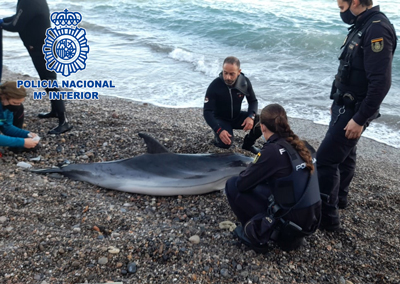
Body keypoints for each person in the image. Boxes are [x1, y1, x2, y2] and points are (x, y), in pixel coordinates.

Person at [317, 0, 397, 231]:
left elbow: (381, 83)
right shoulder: (363, 24)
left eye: (341, 5)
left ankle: (328, 219)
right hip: (344, 106)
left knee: (325, 160)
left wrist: (360, 119)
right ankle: (340, 198)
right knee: (347, 154)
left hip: (354, 112)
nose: (338, 6)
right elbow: (349, 69)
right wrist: (336, 100)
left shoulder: (377, 29)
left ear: (354, 1)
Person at [225, 104, 321, 252]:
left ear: (262, 127)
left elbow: (242, 184)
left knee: (231, 185)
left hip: (289, 225)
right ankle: (287, 234)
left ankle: (257, 234)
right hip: (311, 220)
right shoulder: (305, 146)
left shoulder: (273, 151)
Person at [0, 0, 73, 135]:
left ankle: (64, 121)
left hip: (43, 48)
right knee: (46, 80)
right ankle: (55, 111)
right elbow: (19, 17)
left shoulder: (30, 2)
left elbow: (17, 25)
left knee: (50, 82)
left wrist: (2, 24)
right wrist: (3, 20)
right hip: (40, 46)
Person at [204, 56, 262, 154]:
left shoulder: (244, 82)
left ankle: (248, 145)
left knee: (261, 122)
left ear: (239, 72)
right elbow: (207, 112)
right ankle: (217, 139)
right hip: (220, 119)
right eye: (225, 72)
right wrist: (218, 129)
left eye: (232, 74)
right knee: (226, 144)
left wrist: (251, 117)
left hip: (236, 117)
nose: (227, 77)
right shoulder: (215, 85)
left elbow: (253, 101)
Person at [0, 81, 39, 149]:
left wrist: (27, 134)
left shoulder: (7, 105)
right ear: (3, 97)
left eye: (20, 103)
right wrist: (22, 142)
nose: (17, 106)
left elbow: (7, 126)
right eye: (15, 103)